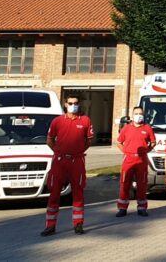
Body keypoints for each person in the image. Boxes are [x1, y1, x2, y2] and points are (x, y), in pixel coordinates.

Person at [41, 96, 94, 236]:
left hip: (77, 161)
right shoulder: (57, 121)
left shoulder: (85, 120)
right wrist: (58, 152)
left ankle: (78, 224)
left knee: (78, 193)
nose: (73, 105)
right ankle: (50, 226)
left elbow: (89, 141)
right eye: (70, 103)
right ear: (65, 104)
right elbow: (49, 140)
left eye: (76, 103)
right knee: (54, 193)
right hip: (59, 161)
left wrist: (79, 151)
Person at [116, 106, 155, 217]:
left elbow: (153, 142)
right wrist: (125, 151)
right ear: (132, 116)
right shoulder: (126, 128)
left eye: (140, 113)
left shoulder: (147, 128)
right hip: (128, 159)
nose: (139, 115)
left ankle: (142, 207)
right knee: (125, 184)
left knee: (142, 184)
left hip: (141, 159)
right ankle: (122, 208)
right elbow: (118, 142)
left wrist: (147, 150)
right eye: (136, 113)